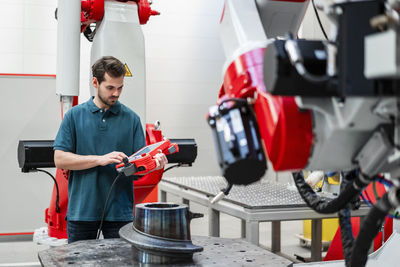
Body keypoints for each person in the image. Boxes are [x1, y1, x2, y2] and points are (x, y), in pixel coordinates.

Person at [53, 56, 167, 243]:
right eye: (110, 88)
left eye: (120, 87)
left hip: (120, 214)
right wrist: (100, 159)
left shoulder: (131, 119)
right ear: (95, 82)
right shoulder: (74, 116)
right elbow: (60, 159)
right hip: (82, 212)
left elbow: (136, 169)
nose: (116, 93)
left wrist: (153, 165)